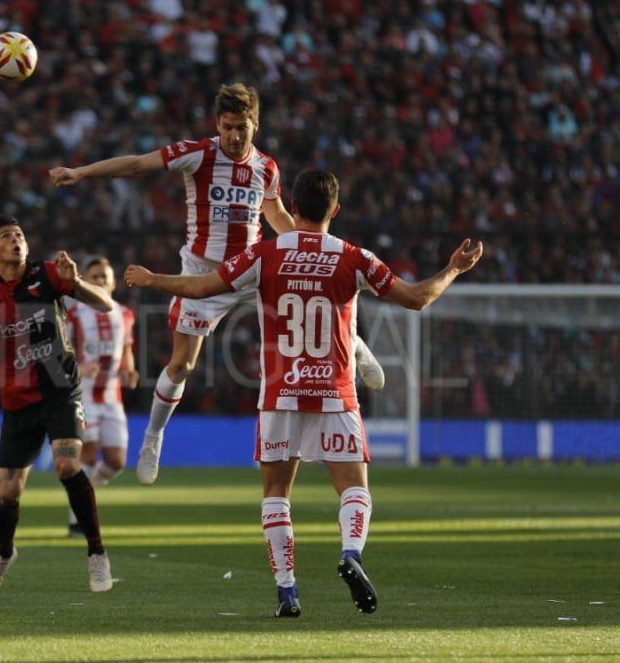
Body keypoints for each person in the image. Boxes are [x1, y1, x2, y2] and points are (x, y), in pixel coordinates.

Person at [124, 170, 483, 617]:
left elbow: (201, 286)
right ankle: (351, 553)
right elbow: (416, 298)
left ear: (292, 209)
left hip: (280, 395)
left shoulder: (265, 253)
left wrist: (153, 278)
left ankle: (287, 591)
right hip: (335, 393)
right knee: (353, 487)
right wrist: (453, 268)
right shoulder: (354, 257)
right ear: (335, 210)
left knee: (276, 492)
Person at [50, 83, 384, 486]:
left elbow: (276, 215)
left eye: (241, 127)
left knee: (309, 287)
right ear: (217, 125)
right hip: (201, 272)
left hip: (249, 268)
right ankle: (153, 437)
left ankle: (358, 348)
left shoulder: (267, 168)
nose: (233, 135)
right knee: (182, 364)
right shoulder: (198, 155)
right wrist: (81, 172)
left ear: (254, 125)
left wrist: (306, 245)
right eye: (227, 127)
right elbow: (139, 164)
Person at [0, 215, 117, 593]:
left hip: (60, 389)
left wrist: (76, 282)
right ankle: (4, 553)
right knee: (8, 493)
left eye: (20, 234)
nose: (16, 240)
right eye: (7, 236)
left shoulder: (49, 274)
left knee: (68, 464)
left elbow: (106, 304)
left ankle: (97, 554)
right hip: (18, 401)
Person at [64, 257, 138, 536]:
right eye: (94, 277)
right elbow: (64, 351)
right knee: (90, 451)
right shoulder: (75, 315)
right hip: (84, 393)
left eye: (105, 277)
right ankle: (76, 520)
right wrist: (78, 367)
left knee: (117, 462)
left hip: (111, 396)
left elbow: (127, 349)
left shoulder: (125, 314)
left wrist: (130, 370)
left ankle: (85, 492)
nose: (101, 282)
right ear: (85, 281)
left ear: (113, 283)